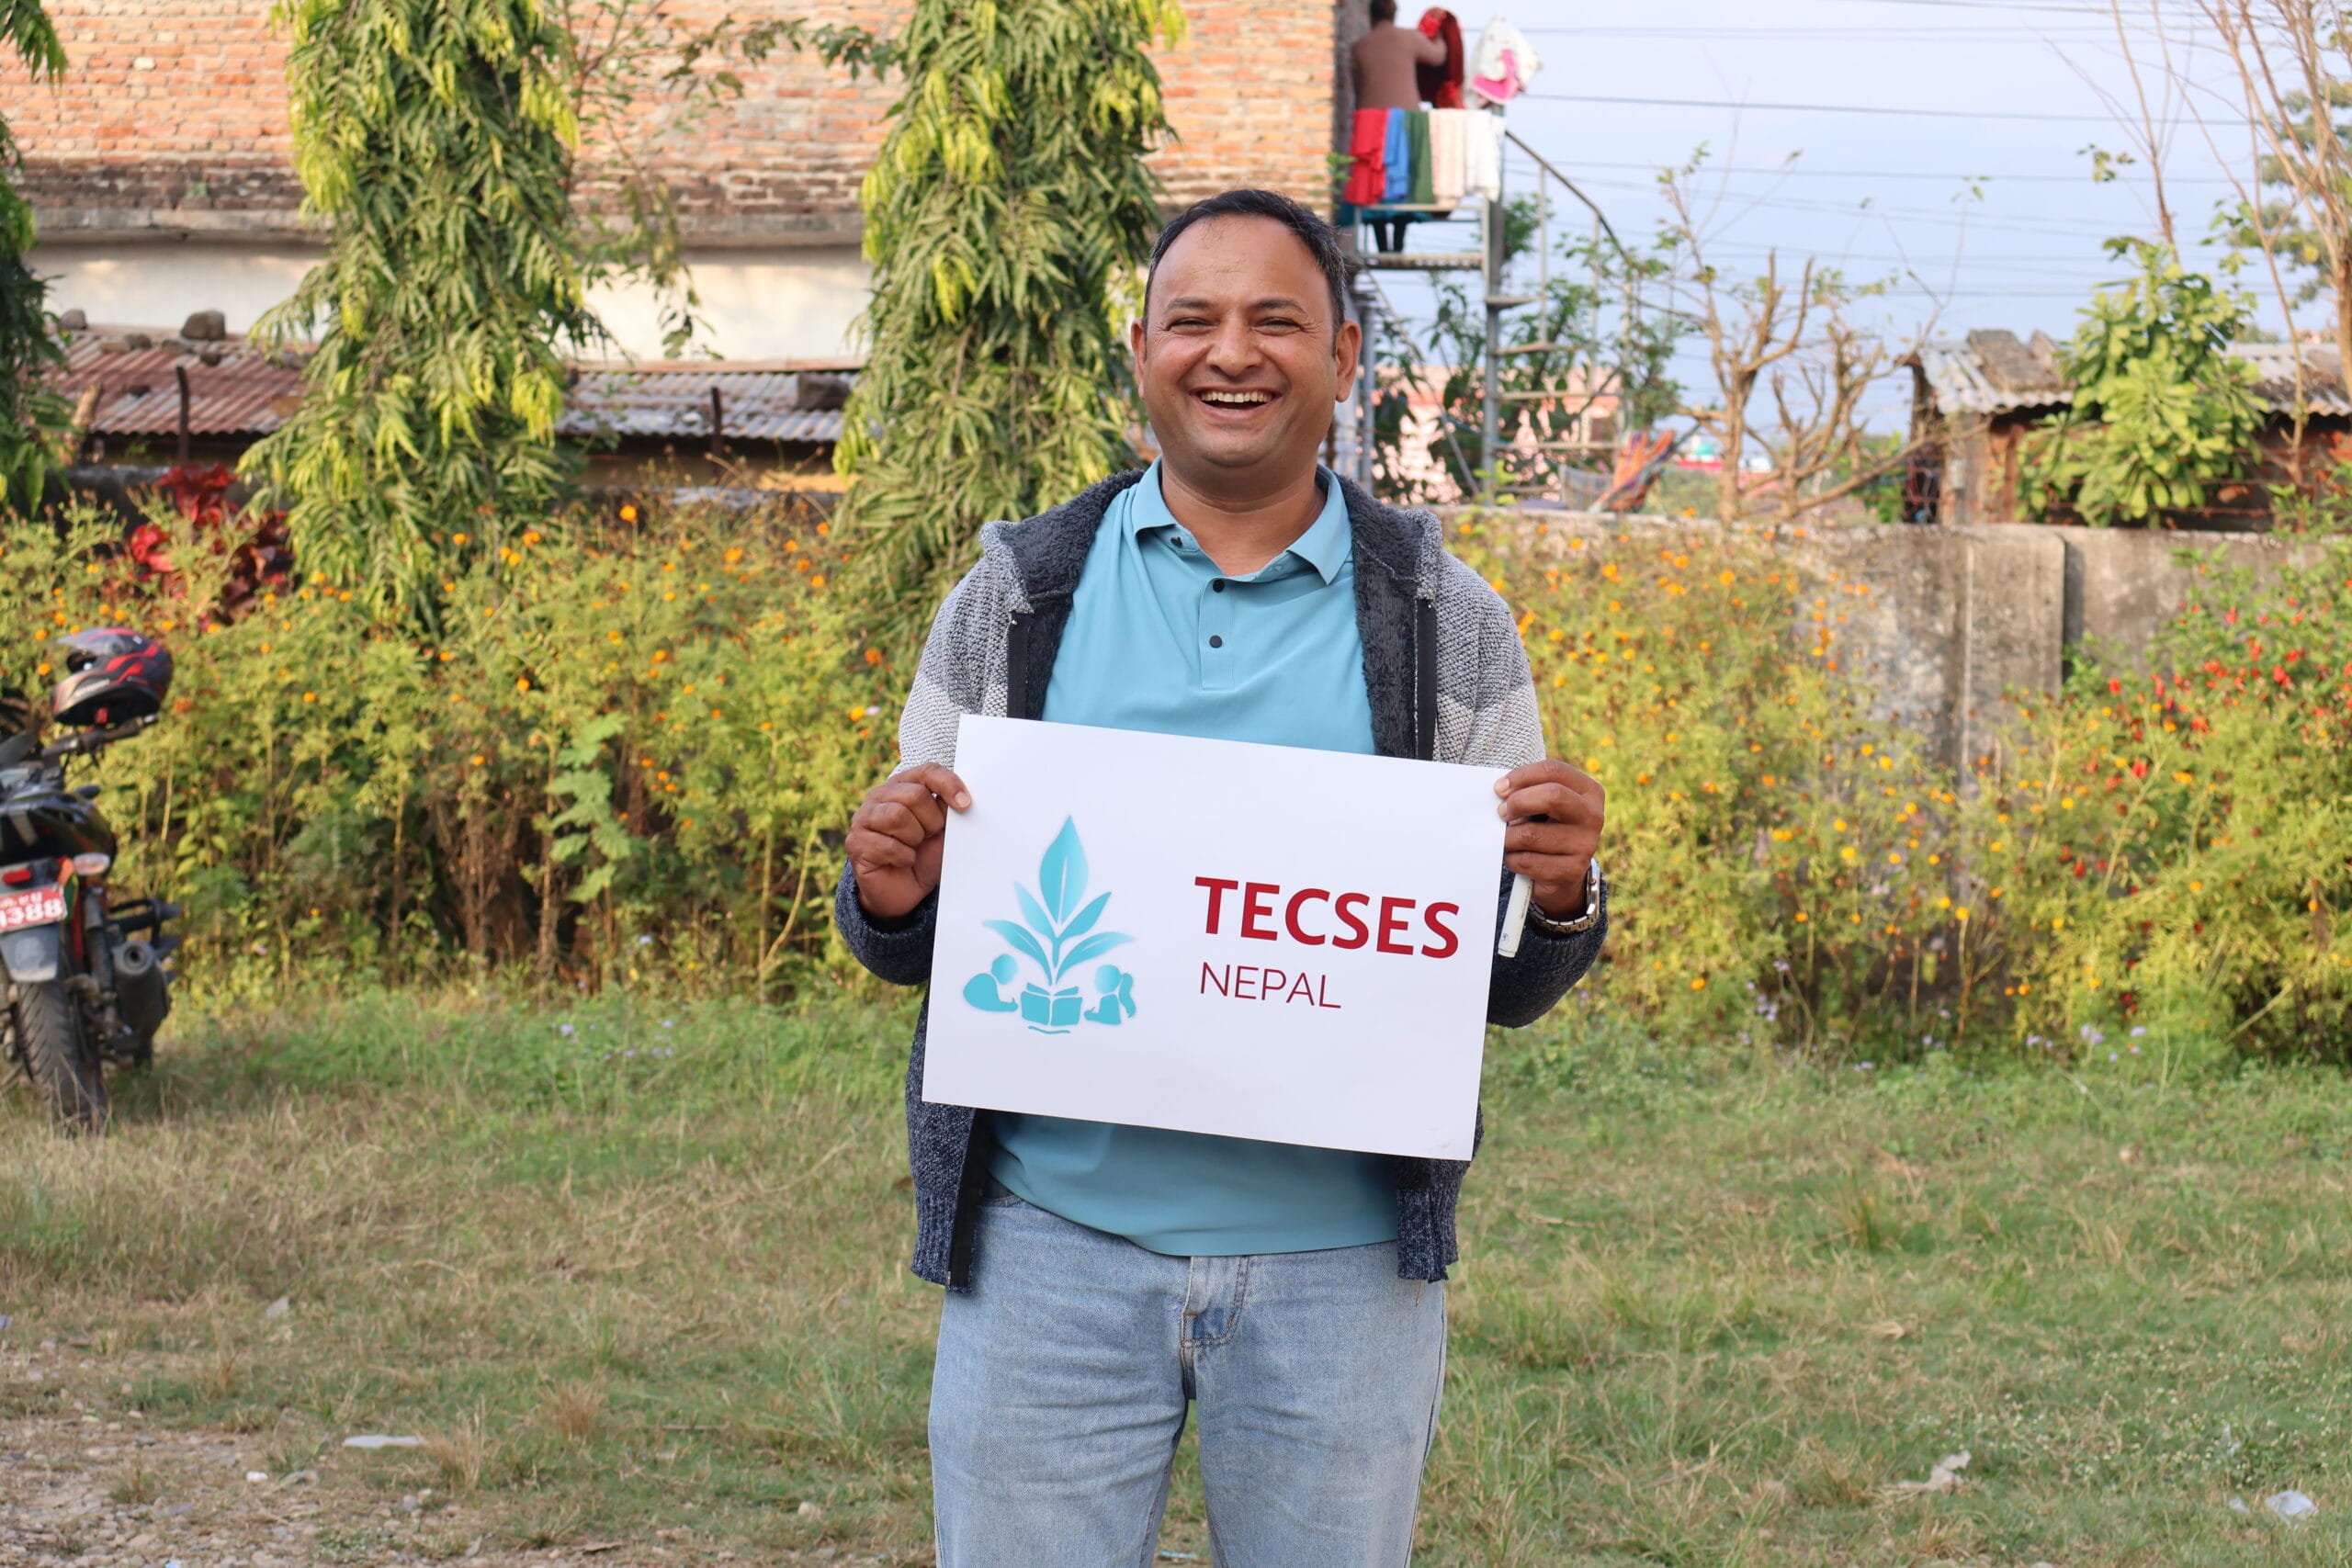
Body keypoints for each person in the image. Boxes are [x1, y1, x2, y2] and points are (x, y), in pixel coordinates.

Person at [838, 188, 1610, 1568]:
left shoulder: (1450, 621)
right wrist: (891, 893)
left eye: (1275, 319)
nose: (1230, 352)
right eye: (1192, 319)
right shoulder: (1017, 594)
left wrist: (1558, 897)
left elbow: (1506, 980)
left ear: (1347, 356)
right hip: (1048, 1254)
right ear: (1140, 349)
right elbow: (924, 935)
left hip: (1342, 1277)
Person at [1352, 0, 1446, 253]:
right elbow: (1438, 56)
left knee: (1376, 184)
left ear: (1370, 15)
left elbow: (1356, 84)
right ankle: (1398, 243)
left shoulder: (1360, 46)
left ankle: (1383, 245)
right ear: (1395, 14)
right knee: (1404, 183)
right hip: (1406, 119)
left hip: (1370, 122)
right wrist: (1440, 33)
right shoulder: (1409, 38)